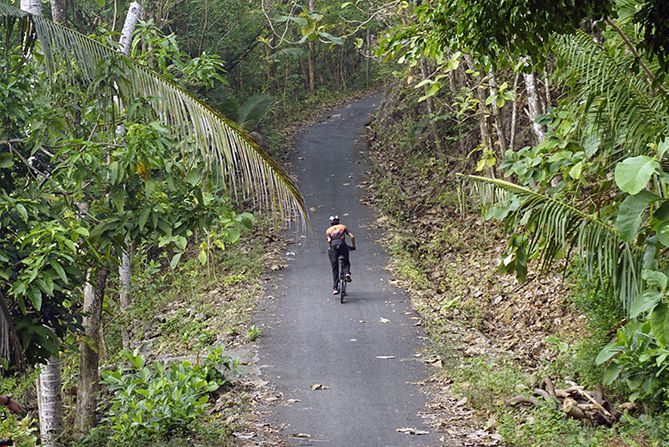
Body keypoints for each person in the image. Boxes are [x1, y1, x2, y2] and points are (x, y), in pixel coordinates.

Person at [326, 215, 356, 295]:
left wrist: (331, 247)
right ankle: (346, 273)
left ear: (331, 223)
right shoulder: (343, 227)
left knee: (334, 267)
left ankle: (335, 288)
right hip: (342, 246)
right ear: (338, 221)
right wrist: (353, 246)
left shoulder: (328, 230)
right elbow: (352, 236)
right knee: (346, 261)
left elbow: (329, 241)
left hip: (333, 248)